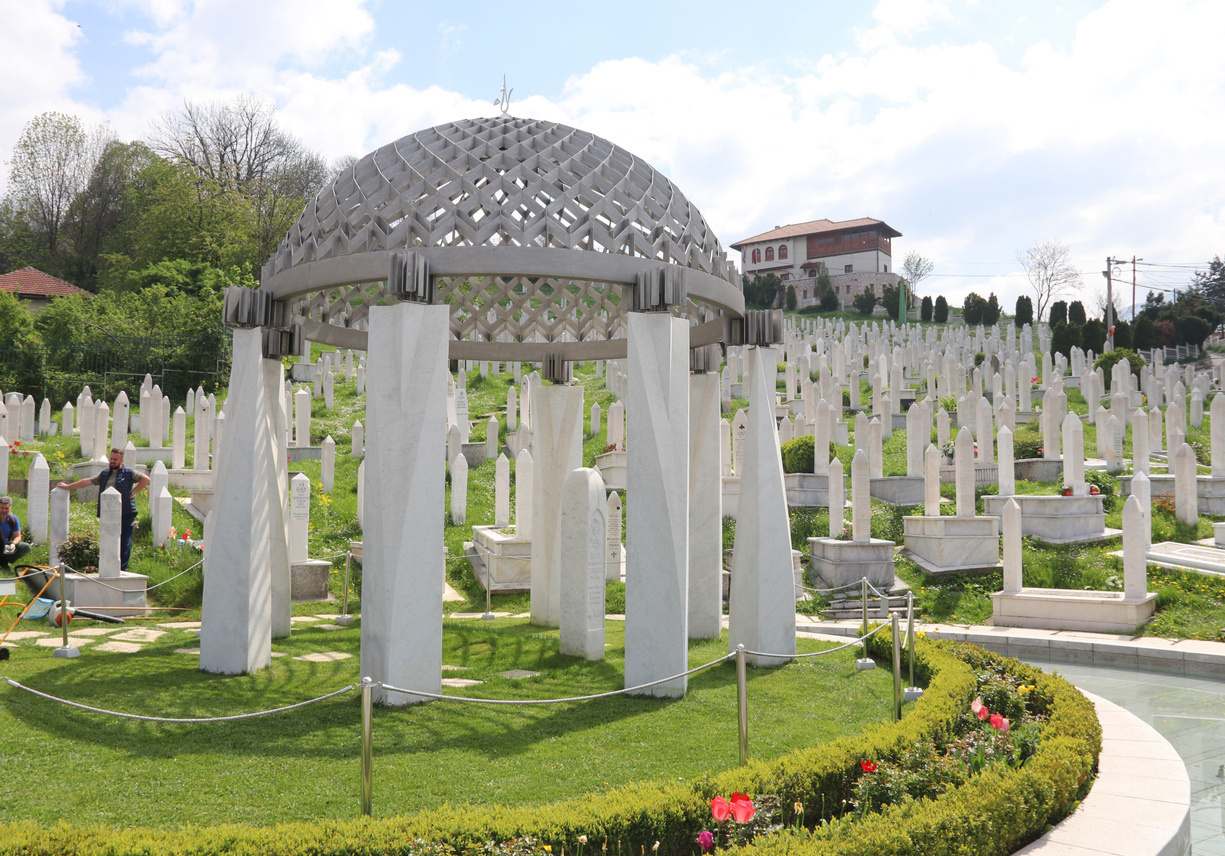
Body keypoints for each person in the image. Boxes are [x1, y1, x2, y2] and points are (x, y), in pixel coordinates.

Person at [56, 448, 151, 571]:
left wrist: (133, 492)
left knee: (124, 542)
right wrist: (69, 486)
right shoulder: (105, 474)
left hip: (126, 513)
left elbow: (145, 479)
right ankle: (109, 566)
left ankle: (122, 569)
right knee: (108, 541)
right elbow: (88, 481)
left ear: (121, 460)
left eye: (115, 459)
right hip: (109, 514)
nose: (112, 461)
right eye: (111, 459)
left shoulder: (129, 472)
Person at [0, 496, 32, 570]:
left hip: (6, 546)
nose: (4, 510)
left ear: (10, 509)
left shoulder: (13, 519)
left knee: (25, 547)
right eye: (2, 508)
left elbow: (18, 536)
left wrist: (13, 544)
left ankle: (5, 561)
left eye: (6, 508)